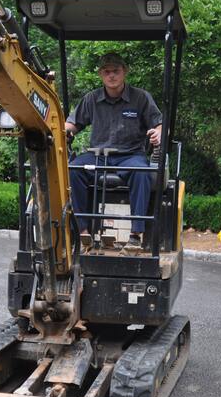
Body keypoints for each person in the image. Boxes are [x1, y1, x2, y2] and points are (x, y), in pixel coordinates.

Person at [65, 52, 162, 250]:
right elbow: (72, 123)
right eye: (107, 71)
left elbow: (159, 124)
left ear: (124, 71)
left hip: (130, 156)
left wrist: (159, 132)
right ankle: (83, 232)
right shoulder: (92, 99)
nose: (111, 75)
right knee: (73, 169)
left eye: (116, 71)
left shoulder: (141, 98)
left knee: (142, 173)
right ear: (101, 74)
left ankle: (136, 235)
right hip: (98, 156)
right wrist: (64, 132)